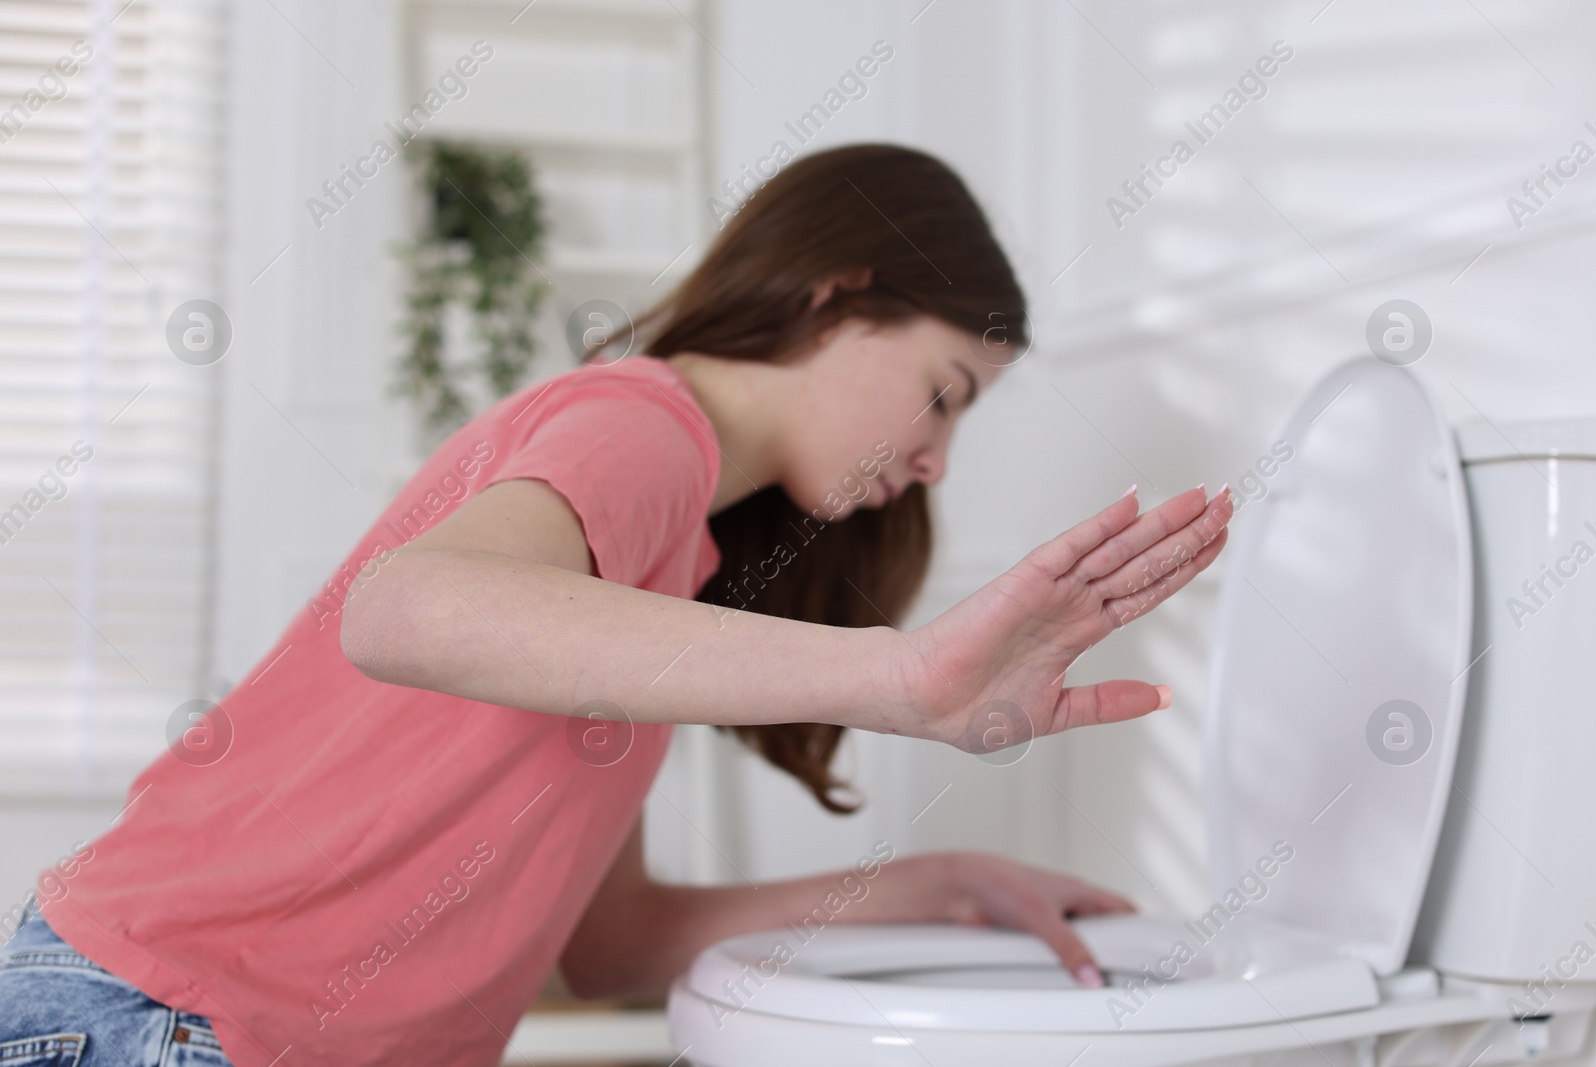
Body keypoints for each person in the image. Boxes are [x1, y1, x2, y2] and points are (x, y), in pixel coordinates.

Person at [0, 143, 1232, 1067]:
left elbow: (611, 944)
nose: (936, 461)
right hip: (170, 1012)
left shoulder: (668, 554)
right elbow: (403, 608)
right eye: (943, 391)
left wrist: (933, 881)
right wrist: (900, 678)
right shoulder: (640, 428)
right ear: (838, 294)